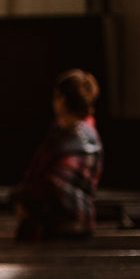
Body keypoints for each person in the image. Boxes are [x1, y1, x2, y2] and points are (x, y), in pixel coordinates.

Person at [15, 69, 104, 241]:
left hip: (66, 227)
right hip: (62, 223)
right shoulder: (63, 132)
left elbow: (55, 186)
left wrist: (26, 200)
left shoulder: (80, 139)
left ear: (62, 100)